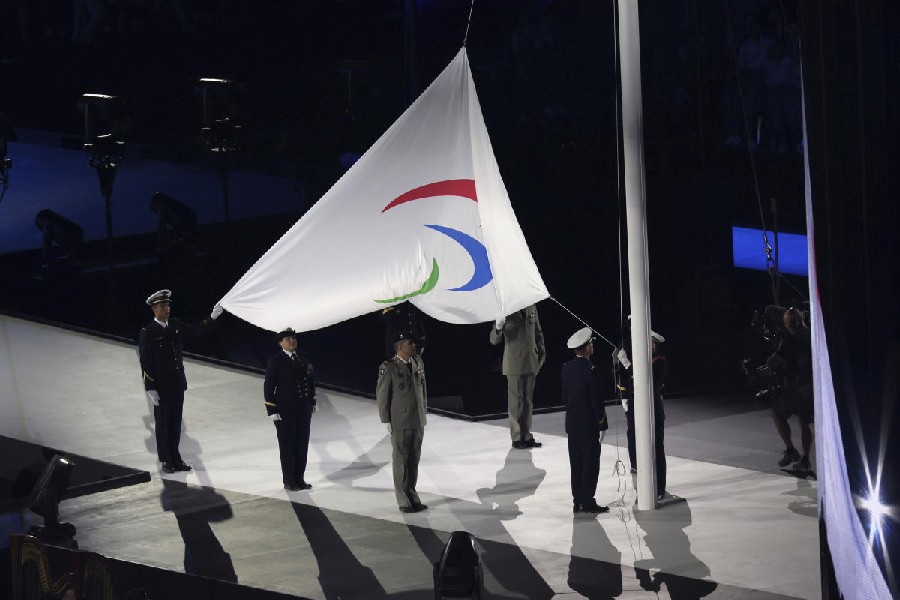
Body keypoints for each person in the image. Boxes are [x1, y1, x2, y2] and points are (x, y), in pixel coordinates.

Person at [138, 289, 222, 473]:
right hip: (161, 386)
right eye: (162, 306)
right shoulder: (148, 331)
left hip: (177, 384)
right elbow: (145, 361)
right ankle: (165, 460)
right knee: (163, 424)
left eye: (167, 305)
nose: (166, 309)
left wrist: (212, 317)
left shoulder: (175, 325)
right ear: (154, 309)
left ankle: (176, 458)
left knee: (175, 424)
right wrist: (150, 387)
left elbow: (196, 330)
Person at [376, 331, 428, 513]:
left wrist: (424, 412)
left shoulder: (417, 362)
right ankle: (403, 499)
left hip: (417, 419)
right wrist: (386, 420)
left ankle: (412, 494)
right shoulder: (388, 367)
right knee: (401, 461)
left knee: (413, 460)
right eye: (409, 343)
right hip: (400, 420)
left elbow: (423, 391)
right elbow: (382, 395)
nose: (414, 346)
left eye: (413, 343)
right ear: (399, 346)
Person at [561, 327, 610, 515]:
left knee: (576, 464)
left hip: (572, 424)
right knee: (590, 464)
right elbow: (596, 401)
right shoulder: (592, 370)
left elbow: (566, 398)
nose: (592, 346)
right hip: (589, 425)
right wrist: (601, 424)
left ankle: (577, 501)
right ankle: (587, 501)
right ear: (587, 348)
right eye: (591, 344)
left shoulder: (566, 368)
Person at [264, 327, 317, 491]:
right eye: (288, 339)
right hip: (285, 410)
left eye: (293, 338)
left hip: (303, 408)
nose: (292, 341)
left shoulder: (304, 357)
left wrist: (312, 401)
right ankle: (289, 480)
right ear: (280, 343)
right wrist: (272, 410)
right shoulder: (276, 361)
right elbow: (268, 387)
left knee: (302, 444)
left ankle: (299, 478)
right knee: (288, 445)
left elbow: (310, 381)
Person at [490, 304, 546, 449]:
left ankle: (526, 435)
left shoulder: (531, 306)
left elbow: (537, 331)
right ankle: (516, 437)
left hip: (530, 359)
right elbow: (494, 340)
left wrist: (541, 352)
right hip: (514, 360)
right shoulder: (505, 308)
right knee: (515, 402)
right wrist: (498, 326)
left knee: (528, 401)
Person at [766, 307, 813, 471]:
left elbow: (773, 360)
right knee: (804, 422)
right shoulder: (812, 336)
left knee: (777, 414)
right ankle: (806, 460)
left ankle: (791, 450)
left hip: (799, 387)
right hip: (813, 386)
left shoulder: (792, 341)